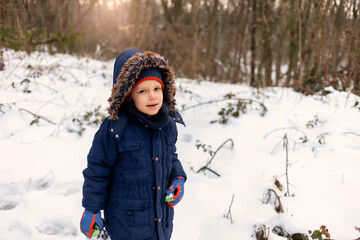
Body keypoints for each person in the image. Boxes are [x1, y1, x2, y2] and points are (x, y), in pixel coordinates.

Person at [80, 49, 187, 240]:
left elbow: (171, 156)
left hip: (160, 224)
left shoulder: (168, 124)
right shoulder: (115, 129)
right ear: (129, 95)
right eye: (143, 91)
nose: (152, 96)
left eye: (157, 89)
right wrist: (92, 208)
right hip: (126, 226)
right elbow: (98, 170)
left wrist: (178, 178)